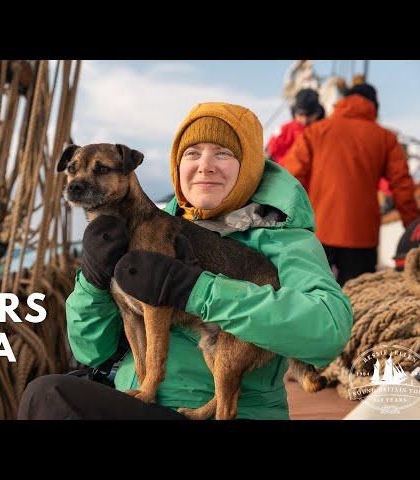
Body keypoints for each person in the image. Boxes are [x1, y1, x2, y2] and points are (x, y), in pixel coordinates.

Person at [18, 102, 353, 420]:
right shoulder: (147, 228)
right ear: (178, 166)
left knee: (48, 394)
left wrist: (197, 290)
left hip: (222, 407)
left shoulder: (283, 236)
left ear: (249, 164)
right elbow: (92, 352)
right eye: (193, 153)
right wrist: (92, 282)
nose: (205, 165)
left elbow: (328, 330)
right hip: (137, 402)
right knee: (47, 395)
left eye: (222, 153)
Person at [282, 83, 420, 285]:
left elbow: (291, 179)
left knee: (311, 295)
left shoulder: (315, 132)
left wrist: (288, 224)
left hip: (317, 232)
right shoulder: (386, 138)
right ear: (374, 106)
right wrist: (413, 227)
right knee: (357, 301)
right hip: (362, 237)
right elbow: (402, 188)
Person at [266, 88, 325, 166]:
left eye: (309, 115)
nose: (305, 120)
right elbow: (270, 153)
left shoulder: (325, 131)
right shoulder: (284, 130)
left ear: (318, 113)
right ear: (295, 112)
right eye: (301, 115)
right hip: (287, 175)